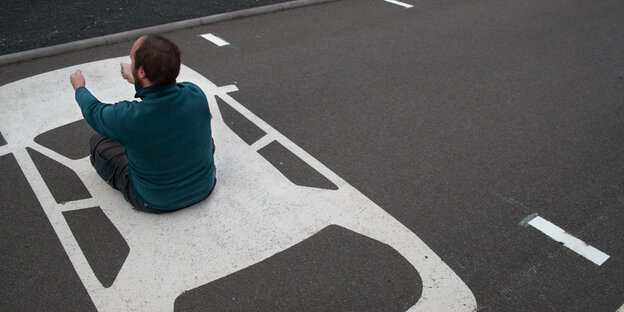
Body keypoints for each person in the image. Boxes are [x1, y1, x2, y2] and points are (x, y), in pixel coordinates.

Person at [69, 35, 216, 213]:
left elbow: (93, 111)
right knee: (192, 129)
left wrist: (79, 88)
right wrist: (137, 80)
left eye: (132, 60)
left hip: (155, 200)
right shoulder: (196, 94)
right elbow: (163, 91)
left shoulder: (128, 117)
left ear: (141, 72)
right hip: (204, 187)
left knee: (99, 142)